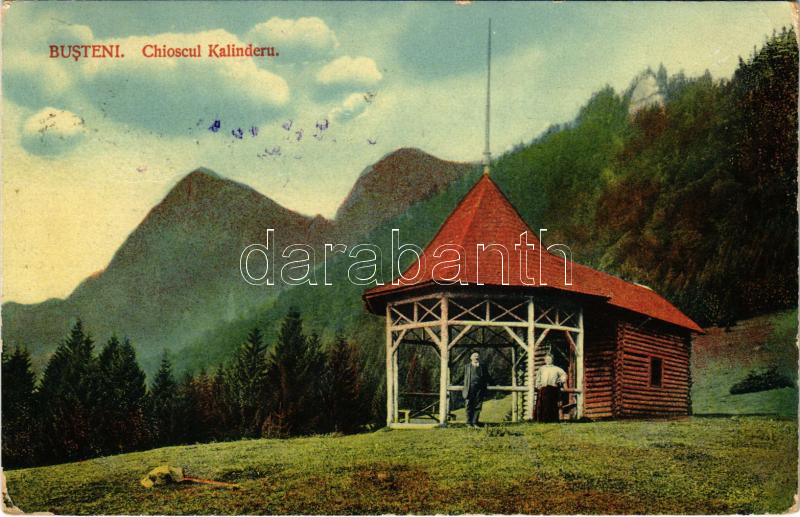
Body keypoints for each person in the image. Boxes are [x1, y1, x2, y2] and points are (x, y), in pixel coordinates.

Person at [534, 353, 567, 422]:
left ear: (552, 360)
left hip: (552, 389)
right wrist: (538, 385)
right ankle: (542, 420)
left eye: (550, 359)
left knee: (552, 405)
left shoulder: (556, 369)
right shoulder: (541, 369)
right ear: (545, 360)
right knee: (543, 405)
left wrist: (560, 380)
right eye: (547, 359)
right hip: (543, 389)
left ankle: (552, 420)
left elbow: (564, 374)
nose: (548, 360)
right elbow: (538, 378)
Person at [461, 351, 491, 427]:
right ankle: (468, 423)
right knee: (469, 405)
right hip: (469, 389)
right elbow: (461, 376)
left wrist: (494, 384)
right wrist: (453, 383)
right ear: (471, 358)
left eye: (477, 356)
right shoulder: (467, 367)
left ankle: (475, 422)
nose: (476, 357)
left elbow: (488, 377)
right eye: (474, 356)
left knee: (478, 406)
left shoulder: (483, 367)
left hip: (480, 389)